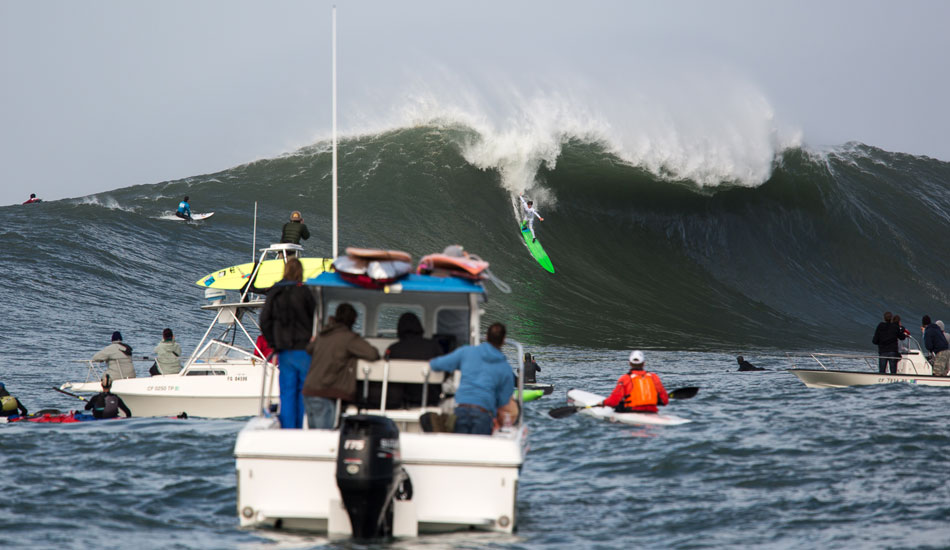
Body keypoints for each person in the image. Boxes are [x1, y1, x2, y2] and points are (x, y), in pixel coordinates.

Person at [303, 303, 380, 429]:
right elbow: (372, 354)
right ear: (353, 320)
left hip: (309, 390)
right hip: (325, 392)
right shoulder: (348, 338)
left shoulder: (323, 334)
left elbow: (309, 348)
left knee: (314, 436)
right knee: (324, 438)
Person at [260, 258, 317, 429]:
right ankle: (299, 428)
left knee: (287, 391)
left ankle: (288, 428)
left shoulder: (275, 292)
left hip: (284, 349)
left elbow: (264, 320)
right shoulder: (306, 292)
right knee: (303, 391)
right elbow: (316, 317)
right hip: (304, 349)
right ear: (300, 272)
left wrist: (273, 342)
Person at [429, 323, 515, 435]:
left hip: (461, 411)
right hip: (484, 414)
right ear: (503, 341)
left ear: (486, 337)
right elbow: (503, 401)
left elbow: (436, 364)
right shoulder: (505, 368)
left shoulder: (466, 352)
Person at [599, 350, 669, 413]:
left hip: (632, 410)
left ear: (630, 363)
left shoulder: (625, 378)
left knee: (619, 405)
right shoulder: (654, 377)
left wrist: (603, 403)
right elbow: (665, 401)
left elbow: (614, 401)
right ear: (644, 363)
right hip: (652, 411)